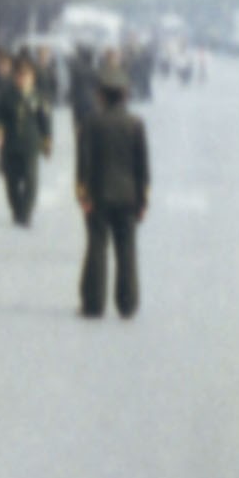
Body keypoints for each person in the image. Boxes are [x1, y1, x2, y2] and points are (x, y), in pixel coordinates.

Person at [76, 72, 149, 320]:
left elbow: (83, 163)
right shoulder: (136, 124)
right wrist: (143, 201)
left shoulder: (90, 122)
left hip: (98, 195)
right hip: (128, 197)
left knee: (97, 247)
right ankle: (128, 303)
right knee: (127, 250)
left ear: (101, 96)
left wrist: (83, 195)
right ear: (125, 96)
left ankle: (94, 303)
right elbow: (142, 167)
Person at [0, 59, 48, 228]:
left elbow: (45, 120)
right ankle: (16, 210)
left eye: (26, 76)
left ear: (32, 78)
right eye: (19, 76)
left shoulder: (39, 97)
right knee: (11, 181)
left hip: (31, 144)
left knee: (31, 180)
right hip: (11, 144)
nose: (22, 79)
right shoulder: (7, 96)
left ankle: (26, 212)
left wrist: (47, 140)